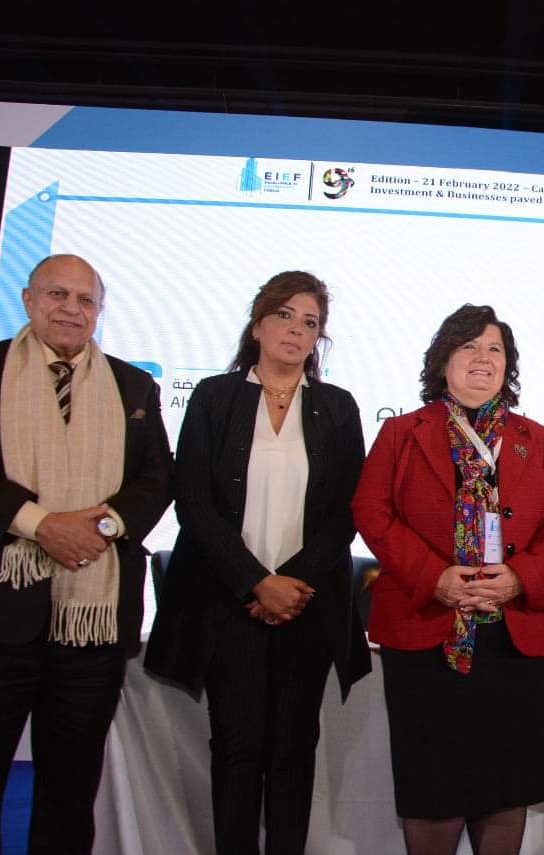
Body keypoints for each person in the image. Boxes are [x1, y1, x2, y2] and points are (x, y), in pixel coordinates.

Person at [0, 254, 173, 855]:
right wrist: (42, 526)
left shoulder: (133, 385)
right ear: (29, 300)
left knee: (70, 796)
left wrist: (102, 527)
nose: (71, 309)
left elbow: (156, 478)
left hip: (90, 628)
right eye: (58, 294)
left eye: (86, 300)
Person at [143, 271, 370, 854]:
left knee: (293, 751)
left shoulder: (338, 407)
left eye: (310, 323)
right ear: (258, 325)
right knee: (237, 749)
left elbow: (347, 511)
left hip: (306, 605)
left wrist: (292, 585)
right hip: (230, 603)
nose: (296, 330)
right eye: (285, 315)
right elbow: (193, 503)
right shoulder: (214, 398)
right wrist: (256, 583)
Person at [352, 304, 544, 855]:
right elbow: (371, 511)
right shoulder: (401, 433)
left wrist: (521, 576)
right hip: (428, 634)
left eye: (494, 349)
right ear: (443, 361)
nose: (483, 358)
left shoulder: (537, 438)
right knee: (434, 789)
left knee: (507, 788)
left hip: (515, 636)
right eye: (469, 346)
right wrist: (434, 578)